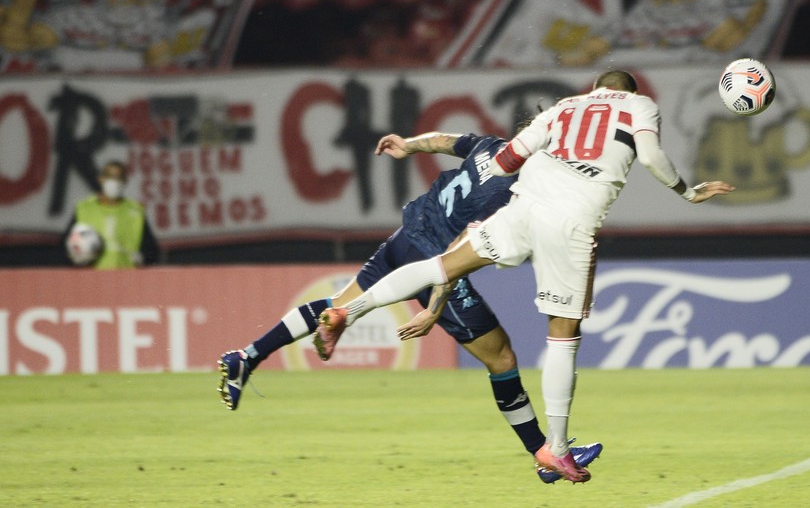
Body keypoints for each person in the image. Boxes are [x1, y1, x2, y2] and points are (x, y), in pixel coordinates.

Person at [313, 70, 735, 483]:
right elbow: (649, 156)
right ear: (628, 91)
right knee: (563, 334)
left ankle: (347, 311)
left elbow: (505, 161)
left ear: (593, 90)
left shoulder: (564, 106)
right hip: (571, 219)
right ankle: (555, 446)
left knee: (442, 267)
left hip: (524, 203)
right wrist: (689, 192)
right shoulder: (640, 105)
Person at [217, 130, 602, 484]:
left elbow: (444, 141)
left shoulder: (491, 146)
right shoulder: (514, 193)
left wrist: (407, 144)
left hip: (407, 234)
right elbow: (456, 253)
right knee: (500, 358)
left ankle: (247, 356)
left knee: (340, 304)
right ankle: (544, 453)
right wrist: (435, 307)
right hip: (435, 255)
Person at [62, 159, 160, 269]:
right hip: (91, 280)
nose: (114, 181)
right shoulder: (84, 209)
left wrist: (143, 258)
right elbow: (65, 248)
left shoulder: (136, 212)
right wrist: (78, 257)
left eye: (119, 177)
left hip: (126, 279)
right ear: (101, 179)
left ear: (125, 181)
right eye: (110, 176)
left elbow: (151, 251)